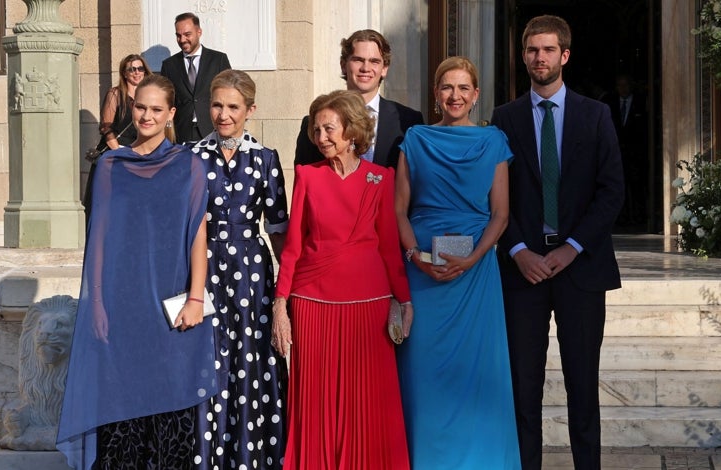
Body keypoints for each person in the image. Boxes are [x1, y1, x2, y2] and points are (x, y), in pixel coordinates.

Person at [57, 74, 216, 470]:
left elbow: (198, 236)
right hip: (122, 307)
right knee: (121, 418)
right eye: (140, 107)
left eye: (156, 109)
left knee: (171, 414)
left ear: (171, 114)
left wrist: (196, 298)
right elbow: (99, 241)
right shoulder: (112, 166)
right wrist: (95, 305)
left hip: (171, 307)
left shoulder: (190, 166)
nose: (146, 115)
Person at [490, 15, 624, 470]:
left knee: (582, 388)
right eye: (532, 50)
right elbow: (493, 195)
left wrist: (572, 248)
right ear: (523, 55)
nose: (539, 58)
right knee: (523, 390)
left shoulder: (595, 114)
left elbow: (612, 191)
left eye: (548, 50)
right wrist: (517, 249)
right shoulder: (503, 119)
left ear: (564, 55)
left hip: (581, 271)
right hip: (521, 272)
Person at [272, 89, 413, 469]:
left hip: (369, 308)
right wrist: (280, 304)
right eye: (316, 130)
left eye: (329, 128)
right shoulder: (307, 176)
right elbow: (293, 248)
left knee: (368, 401)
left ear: (351, 130)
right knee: (317, 403)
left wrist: (404, 301)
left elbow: (389, 248)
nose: (321, 138)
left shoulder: (381, 179)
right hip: (312, 306)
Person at [394, 56, 521, 469]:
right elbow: (399, 210)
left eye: (464, 88)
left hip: (476, 276)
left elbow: (500, 214)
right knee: (425, 376)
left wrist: (472, 260)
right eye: (447, 87)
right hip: (423, 273)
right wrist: (415, 256)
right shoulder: (415, 139)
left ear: (476, 95)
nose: (455, 95)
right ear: (435, 94)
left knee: (476, 375)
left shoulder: (493, 141)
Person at [190, 69, 289, 469]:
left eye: (233, 106)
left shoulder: (265, 159)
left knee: (252, 361)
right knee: (209, 359)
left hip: (253, 274)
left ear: (251, 109)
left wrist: (286, 288)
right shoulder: (191, 157)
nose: (223, 114)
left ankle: (253, 458)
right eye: (217, 104)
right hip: (203, 268)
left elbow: (280, 228)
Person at [294, 29, 424, 168]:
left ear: (384, 69)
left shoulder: (409, 121)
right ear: (343, 65)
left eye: (374, 61)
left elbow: (416, 177)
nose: (365, 68)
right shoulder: (315, 123)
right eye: (358, 60)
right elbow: (304, 179)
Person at [83, 53, 152, 222]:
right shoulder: (115, 94)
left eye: (140, 68)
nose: (137, 72)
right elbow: (106, 128)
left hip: (139, 155)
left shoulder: (149, 95)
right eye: (132, 69)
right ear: (124, 73)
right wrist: (120, 153)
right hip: (116, 154)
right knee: (109, 205)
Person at [161, 12, 231, 142]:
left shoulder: (218, 60)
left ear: (199, 32)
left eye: (187, 34)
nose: (182, 40)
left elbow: (230, 94)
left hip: (213, 129)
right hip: (181, 132)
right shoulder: (169, 65)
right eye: (178, 35)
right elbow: (166, 100)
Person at [603, 73, 647, 226]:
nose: (623, 89)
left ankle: (637, 217)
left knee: (636, 188)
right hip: (615, 154)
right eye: (619, 85)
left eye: (625, 85)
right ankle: (619, 218)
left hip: (635, 155)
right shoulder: (608, 103)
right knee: (616, 187)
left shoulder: (642, 103)